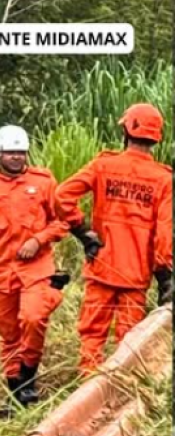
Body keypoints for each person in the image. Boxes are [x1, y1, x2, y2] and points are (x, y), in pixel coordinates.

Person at [54, 103, 173, 376]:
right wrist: (164, 275)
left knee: (92, 335)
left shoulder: (103, 165)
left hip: (102, 267)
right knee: (129, 341)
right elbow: (163, 233)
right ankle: (120, 395)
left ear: (127, 130)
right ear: (156, 137)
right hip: (136, 275)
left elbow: (62, 195)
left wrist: (83, 233)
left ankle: (87, 390)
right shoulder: (162, 178)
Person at [0, 125, 70, 406]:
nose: (16, 158)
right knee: (8, 332)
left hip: (37, 266)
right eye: (10, 153)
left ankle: (29, 379)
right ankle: (16, 389)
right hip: (1, 271)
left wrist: (38, 239)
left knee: (33, 318)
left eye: (21, 153)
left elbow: (62, 221)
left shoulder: (44, 182)